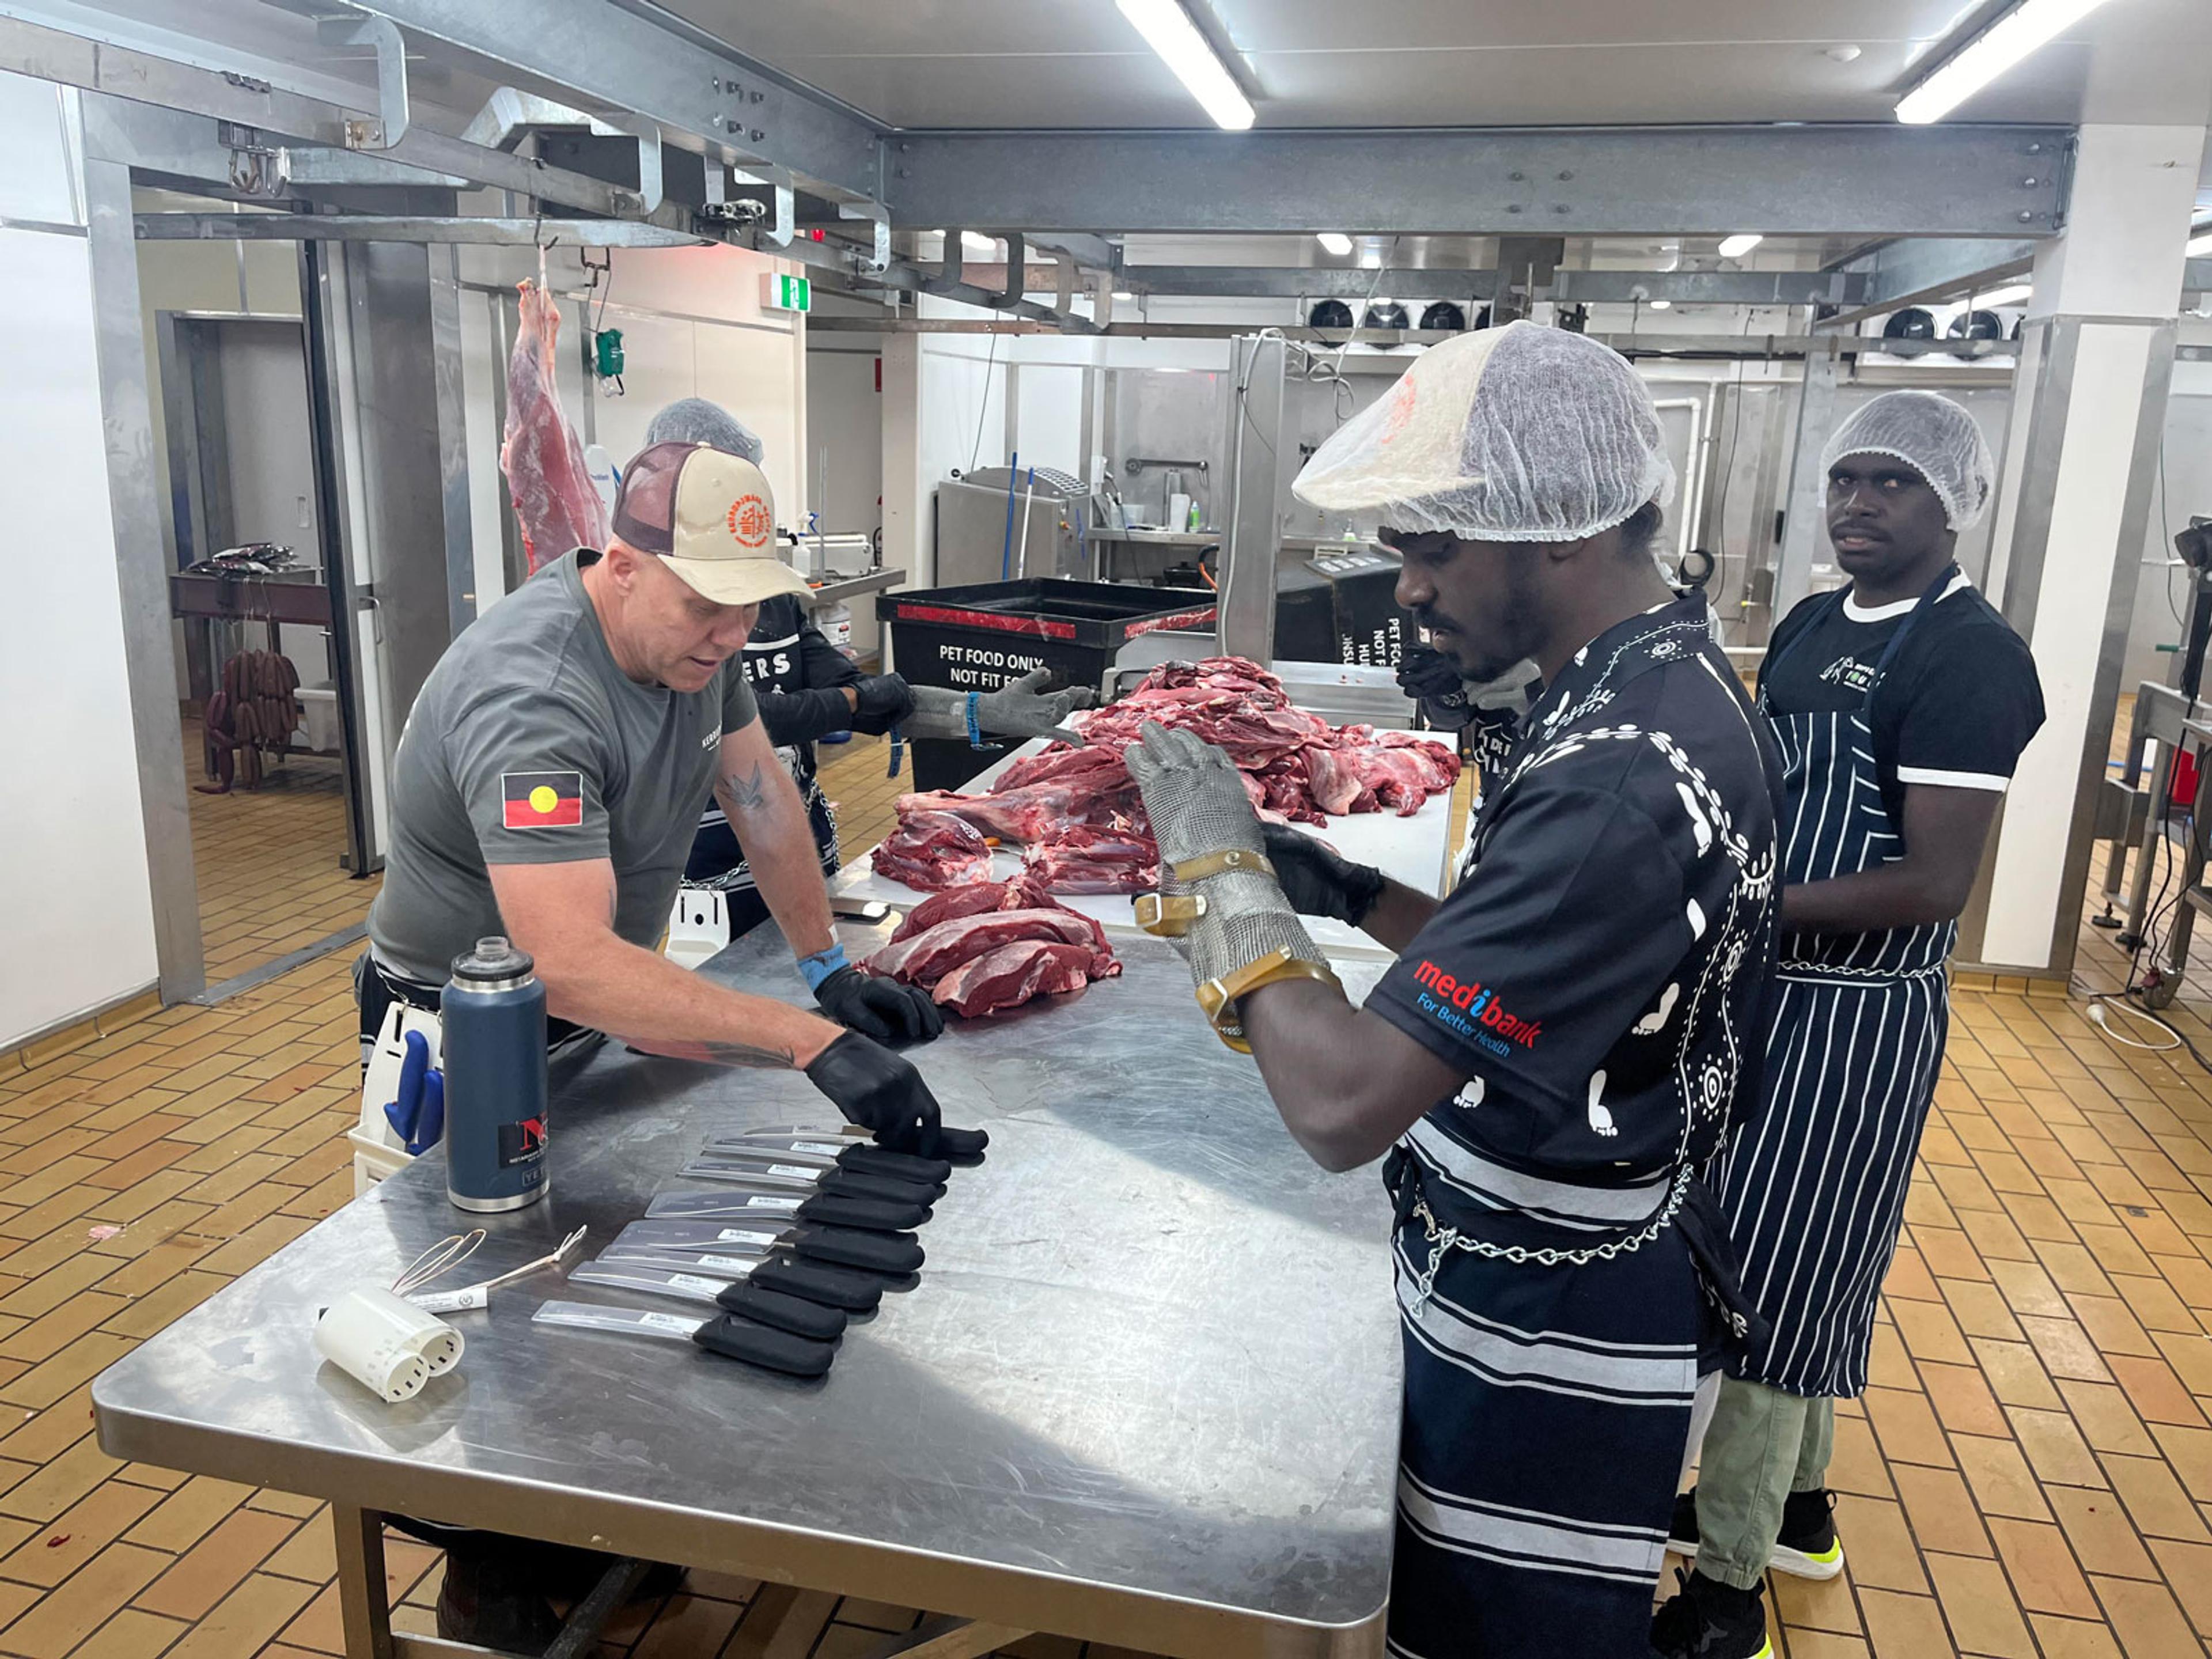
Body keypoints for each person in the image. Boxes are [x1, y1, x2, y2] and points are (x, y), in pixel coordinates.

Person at [1121, 320, 1784, 1658]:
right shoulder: (1656, 679)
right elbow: (1555, 969)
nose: (1408, 590)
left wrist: (1219, 876)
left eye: (1433, 551)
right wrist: (1345, 889)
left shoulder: (1616, 774)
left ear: (1556, 531)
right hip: (1563, 1245)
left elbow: (1339, 1102)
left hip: (1551, 1316)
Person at [356, 440, 957, 1647]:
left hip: (590, 1016)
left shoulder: (695, 646)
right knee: (486, 1304)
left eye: (747, 609)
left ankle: (605, 1528)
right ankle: (494, 1577)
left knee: (590, 1287)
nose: (730, 637)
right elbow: (565, 957)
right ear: (619, 564)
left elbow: (758, 793)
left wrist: (830, 968)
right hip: (461, 1044)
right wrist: (803, 1043)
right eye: (705, 606)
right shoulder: (531, 695)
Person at [1652, 391, 2046, 1658]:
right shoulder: (1819, 621)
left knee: (1773, 1278)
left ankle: (1727, 1596)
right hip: (1772, 991)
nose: (1859, 503)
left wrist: (1734, 909)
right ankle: (1801, 1511)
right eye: (1846, 479)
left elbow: (1935, 885)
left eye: (1894, 485)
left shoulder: (1973, 656)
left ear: (1952, 505)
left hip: (1859, 1021)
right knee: (1797, 1259)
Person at [638, 402, 1097, 933]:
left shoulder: (774, 600)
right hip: (708, 878)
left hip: (801, 854)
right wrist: (851, 704)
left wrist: (976, 710)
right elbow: (746, 716)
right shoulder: (660, 619)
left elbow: (859, 691)